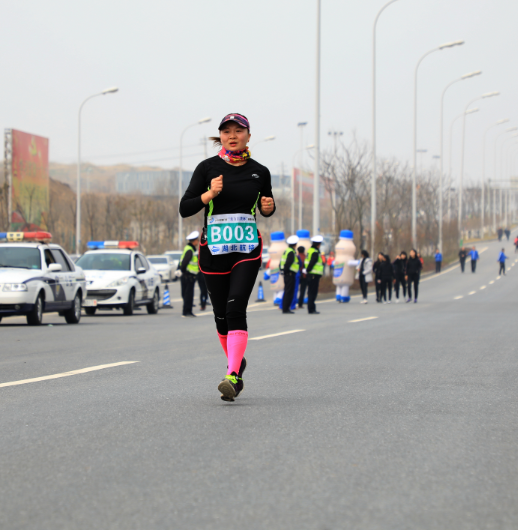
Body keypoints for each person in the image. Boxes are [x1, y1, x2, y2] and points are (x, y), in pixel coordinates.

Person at [179, 113, 275, 402]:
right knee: (221, 317)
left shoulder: (260, 172)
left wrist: (269, 207)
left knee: (235, 308)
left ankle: (232, 375)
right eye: (226, 131)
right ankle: (237, 365)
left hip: (246, 251)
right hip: (214, 252)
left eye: (238, 131)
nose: (232, 136)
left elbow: (266, 206)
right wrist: (209, 194)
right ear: (220, 136)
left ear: (248, 136)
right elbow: (185, 208)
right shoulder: (207, 168)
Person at [177, 231, 200, 318]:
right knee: (188, 294)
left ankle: (188, 311)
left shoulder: (188, 248)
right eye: (197, 240)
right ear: (194, 241)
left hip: (187, 275)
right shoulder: (190, 250)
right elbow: (185, 262)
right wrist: (183, 270)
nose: (198, 242)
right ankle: (187, 311)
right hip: (188, 275)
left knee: (187, 294)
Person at [305, 235, 324, 314]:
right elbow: (312, 262)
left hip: (311, 274)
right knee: (313, 292)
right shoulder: (315, 252)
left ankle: (311, 308)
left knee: (310, 292)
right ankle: (311, 309)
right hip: (313, 275)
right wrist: (308, 270)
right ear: (318, 244)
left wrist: (307, 271)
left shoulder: (310, 250)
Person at [280, 235, 299, 314]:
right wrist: (286, 271)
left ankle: (285, 308)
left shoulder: (286, 251)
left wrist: (283, 271)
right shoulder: (291, 252)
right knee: (289, 292)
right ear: (295, 244)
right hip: (290, 274)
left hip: (287, 274)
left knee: (287, 291)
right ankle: (286, 309)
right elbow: (288, 263)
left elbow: (281, 262)